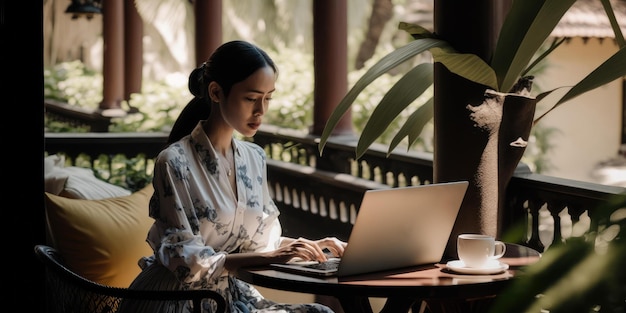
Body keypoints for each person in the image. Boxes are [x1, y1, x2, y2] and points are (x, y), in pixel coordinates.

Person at [119, 40, 346, 313]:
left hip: (228, 294)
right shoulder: (174, 162)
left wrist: (309, 246)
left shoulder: (254, 158)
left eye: (268, 98)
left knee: (320, 312)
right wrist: (273, 255)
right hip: (175, 300)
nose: (261, 110)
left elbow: (261, 242)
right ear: (216, 92)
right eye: (251, 98)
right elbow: (186, 262)